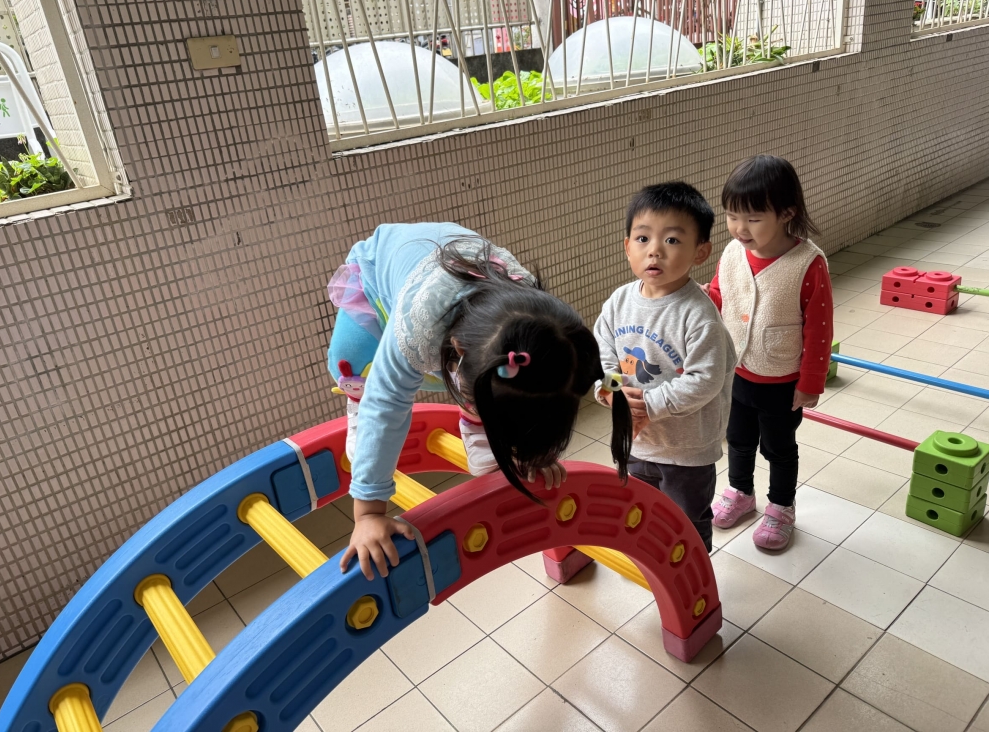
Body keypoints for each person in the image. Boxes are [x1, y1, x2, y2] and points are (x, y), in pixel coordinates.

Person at [327, 223, 633, 579]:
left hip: (468, 301)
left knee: (496, 372)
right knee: (352, 361)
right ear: (457, 350)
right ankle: (361, 398)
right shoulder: (418, 325)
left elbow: (535, 400)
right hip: (378, 277)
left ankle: (478, 412)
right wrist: (369, 513)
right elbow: (386, 402)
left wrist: (534, 455)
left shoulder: (547, 335)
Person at [594, 183, 736, 553]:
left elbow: (705, 379)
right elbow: (604, 359)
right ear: (627, 246)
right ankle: (654, 564)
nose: (654, 250)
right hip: (636, 441)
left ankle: (693, 575)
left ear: (700, 252)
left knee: (686, 520)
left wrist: (648, 406)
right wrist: (612, 391)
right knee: (642, 512)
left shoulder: (699, 316)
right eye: (643, 238)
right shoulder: (618, 303)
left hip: (686, 450)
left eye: (672, 240)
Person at [704, 155, 833, 550]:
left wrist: (810, 383)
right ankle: (740, 492)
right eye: (732, 216)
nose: (739, 228)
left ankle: (781, 507)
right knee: (737, 438)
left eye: (753, 218)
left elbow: (820, 330)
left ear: (786, 213)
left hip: (782, 379)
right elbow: (719, 295)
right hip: (736, 372)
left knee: (779, 448)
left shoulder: (808, 264)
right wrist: (699, 308)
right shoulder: (732, 253)